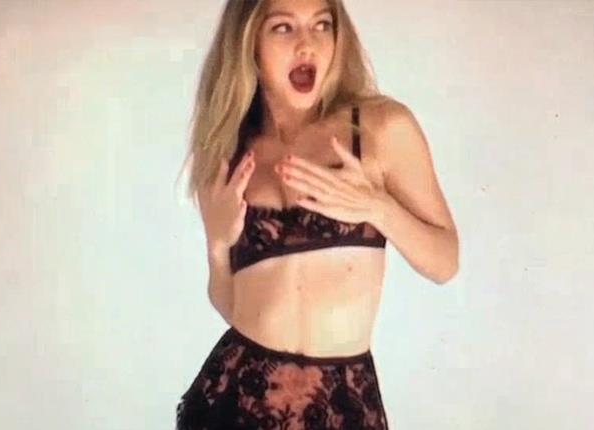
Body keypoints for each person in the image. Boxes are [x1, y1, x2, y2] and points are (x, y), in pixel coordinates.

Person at [176, 0, 459, 428]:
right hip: (239, 400)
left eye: (322, 25)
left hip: (339, 403)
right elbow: (233, 307)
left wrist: (376, 207)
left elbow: (445, 262)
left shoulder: (380, 128)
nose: (307, 44)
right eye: (283, 28)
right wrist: (218, 245)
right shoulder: (225, 152)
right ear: (249, 42)